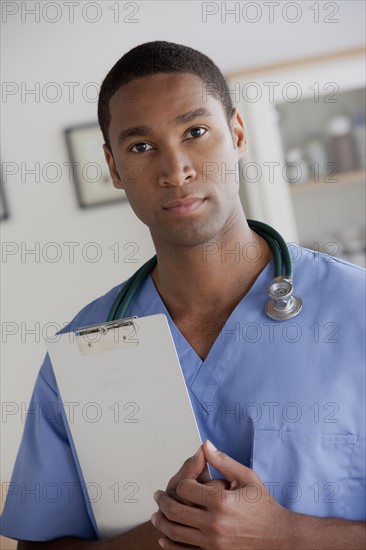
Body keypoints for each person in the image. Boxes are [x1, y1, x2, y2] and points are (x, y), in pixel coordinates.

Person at [1, 41, 365, 549]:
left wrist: (288, 534)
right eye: (141, 146)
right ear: (112, 166)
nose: (176, 169)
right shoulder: (81, 349)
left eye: (195, 132)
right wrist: (169, 534)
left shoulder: (354, 310)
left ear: (237, 133)